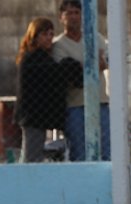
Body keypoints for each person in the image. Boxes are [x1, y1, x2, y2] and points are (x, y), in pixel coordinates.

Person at [52, 0, 111, 161]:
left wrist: (80, 65)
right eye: (68, 13)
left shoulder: (95, 37)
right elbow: (67, 73)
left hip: (101, 102)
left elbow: (106, 61)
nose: (73, 17)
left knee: (107, 150)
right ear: (61, 17)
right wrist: (93, 62)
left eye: (76, 13)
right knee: (79, 152)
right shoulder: (58, 45)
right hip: (75, 106)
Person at [15, 17, 75, 162]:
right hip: (33, 117)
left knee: (33, 155)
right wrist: (68, 66)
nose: (49, 38)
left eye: (51, 34)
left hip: (37, 116)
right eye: (44, 34)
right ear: (34, 36)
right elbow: (53, 74)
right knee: (32, 157)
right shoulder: (32, 59)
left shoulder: (42, 57)